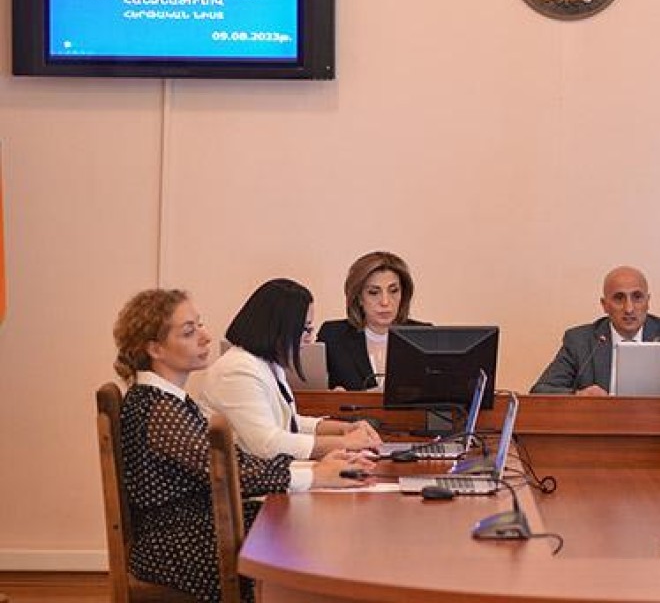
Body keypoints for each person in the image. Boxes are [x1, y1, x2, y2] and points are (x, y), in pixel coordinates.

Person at [113, 289, 371, 603]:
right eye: (189, 332)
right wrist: (317, 475)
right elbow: (228, 471)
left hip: (190, 530)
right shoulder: (159, 410)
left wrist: (318, 470)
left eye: (200, 325)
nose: (206, 337)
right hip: (175, 547)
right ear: (155, 348)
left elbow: (234, 462)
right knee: (300, 541)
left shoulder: (164, 400)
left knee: (302, 528)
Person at [188, 278, 383, 460]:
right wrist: (344, 443)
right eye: (305, 329)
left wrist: (344, 429)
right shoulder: (237, 371)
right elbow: (268, 444)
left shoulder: (267, 365)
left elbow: (289, 422)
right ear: (279, 328)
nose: (310, 339)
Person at [531, 266, 660, 395]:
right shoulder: (580, 341)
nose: (629, 309)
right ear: (605, 305)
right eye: (619, 298)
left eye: (637, 297)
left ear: (648, 302)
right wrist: (579, 395)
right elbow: (541, 390)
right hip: (601, 423)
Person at [318, 251, 429, 391]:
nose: (385, 302)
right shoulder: (333, 336)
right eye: (374, 292)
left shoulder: (423, 336)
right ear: (359, 297)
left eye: (394, 291)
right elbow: (314, 392)